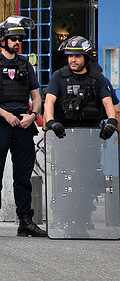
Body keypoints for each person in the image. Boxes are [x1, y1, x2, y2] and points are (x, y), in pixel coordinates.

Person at [43, 36, 117, 237]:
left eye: (77, 56)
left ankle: (83, 220)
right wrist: (51, 123)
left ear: (86, 57)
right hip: (64, 136)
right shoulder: (59, 76)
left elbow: (109, 103)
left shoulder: (98, 79)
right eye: (70, 56)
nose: (72, 60)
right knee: (66, 180)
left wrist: (111, 122)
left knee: (87, 181)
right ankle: (65, 219)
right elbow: (49, 102)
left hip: (90, 138)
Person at [0, 15, 46, 237]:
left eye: (19, 39)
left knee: (23, 175)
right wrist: (5, 114)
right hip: (0, 124)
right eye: (13, 38)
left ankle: (25, 221)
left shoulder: (26, 64)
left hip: (24, 125)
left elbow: (37, 96)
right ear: (2, 40)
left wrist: (33, 115)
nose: (17, 42)